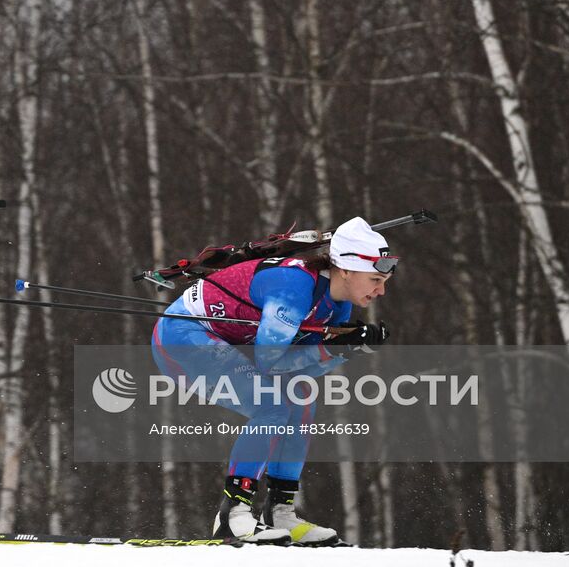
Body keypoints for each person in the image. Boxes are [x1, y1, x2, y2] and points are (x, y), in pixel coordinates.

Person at [150, 216, 396, 545]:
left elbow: (298, 371)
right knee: (272, 406)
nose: (381, 291)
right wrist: (332, 349)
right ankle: (231, 514)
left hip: (227, 341)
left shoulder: (336, 306)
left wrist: (343, 350)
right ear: (346, 269)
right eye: (376, 279)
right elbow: (271, 364)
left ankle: (280, 512)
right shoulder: (292, 289)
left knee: (302, 399)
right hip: (182, 338)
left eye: (384, 281)